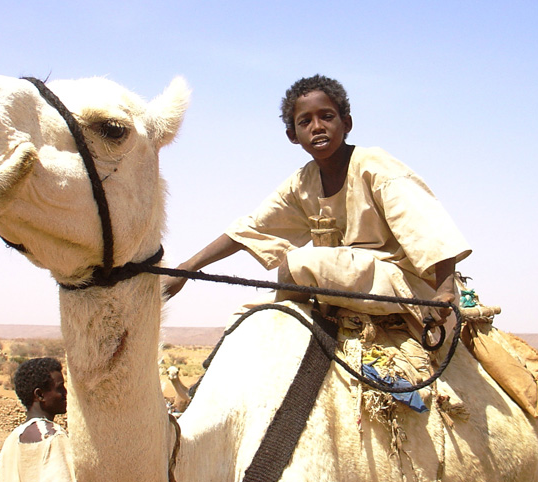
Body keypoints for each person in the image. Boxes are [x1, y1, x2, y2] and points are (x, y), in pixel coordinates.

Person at [164, 74, 471, 334]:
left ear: (346, 122)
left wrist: (444, 291)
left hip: (402, 285)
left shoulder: (375, 165)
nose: (317, 127)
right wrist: (186, 269)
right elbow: (251, 229)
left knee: (298, 264)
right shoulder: (302, 184)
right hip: (346, 284)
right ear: (292, 135)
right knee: (247, 320)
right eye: (305, 121)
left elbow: (426, 228)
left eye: (326, 116)